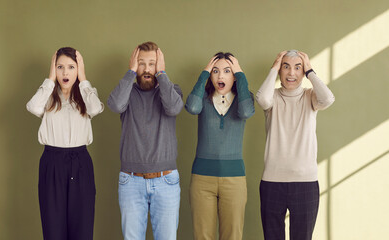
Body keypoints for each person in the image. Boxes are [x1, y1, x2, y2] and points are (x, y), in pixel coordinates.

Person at [107, 41, 183, 240]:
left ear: (160, 65)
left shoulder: (171, 91)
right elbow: (114, 105)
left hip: (166, 180)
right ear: (134, 64)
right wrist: (130, 72)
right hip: (130, 180)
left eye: (152, 63)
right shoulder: (127, 93)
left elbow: (174, 108)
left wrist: (162, 74)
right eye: (142, 63)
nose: (147, 69)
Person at [256, 50, 335, 240]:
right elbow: (262, 99)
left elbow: (328, 99)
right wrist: (274, 67)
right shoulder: (272, 97)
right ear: (280, 71)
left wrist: (310, 71)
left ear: (303, 72)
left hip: (306, 183)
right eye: (286, 67)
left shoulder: (311, 97)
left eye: (297, 68)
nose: (291, 73)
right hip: (272, 182)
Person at [26, 47, 104, 240]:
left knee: (82, 227)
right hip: (52, 162)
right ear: (54, 69)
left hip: (80, 163)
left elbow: (96, 108)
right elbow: (32, 107)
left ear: (78, 69)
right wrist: (50, 79)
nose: (65, 72)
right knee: (53, 228)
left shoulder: (86, 96)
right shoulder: (47, 97)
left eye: (71, 67)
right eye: (60, 67)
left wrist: (84, 78)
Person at [185, 52, 255, 240]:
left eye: (227, 71)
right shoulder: (202, 100)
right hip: (202, 180)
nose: (220, 76)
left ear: (234, 76)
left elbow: (247, 112)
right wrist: (204, 73)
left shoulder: (244, 100)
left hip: (234, 181)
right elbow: (191, 107)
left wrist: (240, 73)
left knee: (232, 236)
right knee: (202, 236)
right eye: (215, 71)